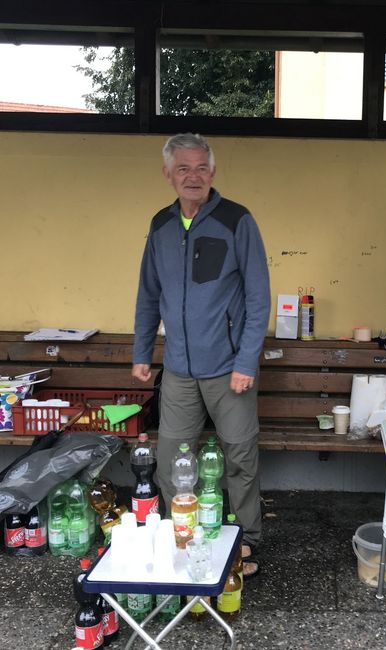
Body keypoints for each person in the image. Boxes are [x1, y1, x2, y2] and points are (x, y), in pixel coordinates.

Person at [132, 133, 270, 578]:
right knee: (171, 457)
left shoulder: (237, 220)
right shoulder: (160, 225)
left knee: (240, 457)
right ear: (168, 174)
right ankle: (183, 534)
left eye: (201, 168)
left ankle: (246, 538)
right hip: (177, 370)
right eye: (184, 168)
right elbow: (148, 296)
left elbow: (257, 298)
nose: (193, 177)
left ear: (213, 172)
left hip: (228, 369)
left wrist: (245, 362)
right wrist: (142, 352)